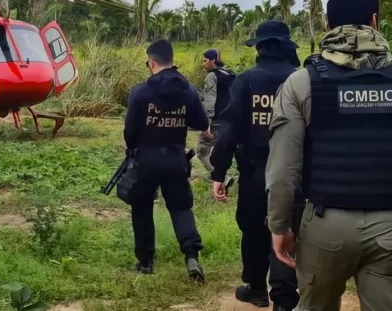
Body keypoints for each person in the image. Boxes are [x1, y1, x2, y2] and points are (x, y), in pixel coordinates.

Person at [266, 0, 392, 311]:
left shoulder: (302, 82)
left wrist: (279, 225)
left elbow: (283, 172)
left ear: (327, 26)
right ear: (375, 21)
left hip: (324, 228)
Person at [209, 20, 302, 310]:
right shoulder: (301, 79)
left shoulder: (247, 80)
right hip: (296, 172)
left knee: (253, 228)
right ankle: (285, 296)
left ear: (260, 47)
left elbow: (228, 131)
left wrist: (219, 173)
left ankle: (257, 288)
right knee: (286, 226)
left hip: (254, 169)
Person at [123, 39, 209, 282]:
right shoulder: (188, 90)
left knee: (141, 208)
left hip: (146, 161)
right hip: (175, 160)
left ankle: (145, 262)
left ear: (151, 62)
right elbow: (202, 123)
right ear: (172, 61)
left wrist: (137, 146)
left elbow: (130, 133)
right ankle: (192, 257)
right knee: (181, 208)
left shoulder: (139, 92)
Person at [197, 49, 236, 188]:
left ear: (213, 60)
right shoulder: (230, 74)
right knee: (225, 150)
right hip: (230, 121)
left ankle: (222, 178)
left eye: (205, 61)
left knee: (202, 151)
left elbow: (210, 101)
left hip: (216, 120)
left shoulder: (212, 77)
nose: (203, 64)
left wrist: (206, 123)